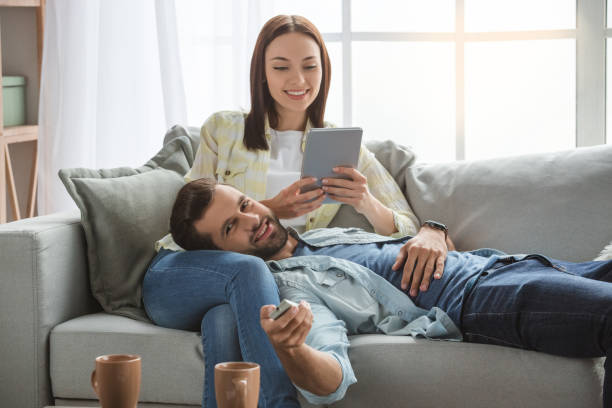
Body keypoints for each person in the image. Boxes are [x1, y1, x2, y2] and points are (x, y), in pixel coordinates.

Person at [144, 14, 454, 408]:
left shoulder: (344, 148)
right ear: (262, 73)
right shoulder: (223, 129)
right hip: (182, 268)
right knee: (249, 269)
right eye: (281, 67)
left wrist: (364, 201)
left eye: (310, 66)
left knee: (225, 319)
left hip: (255, 289)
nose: (298, 80)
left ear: (324, 70)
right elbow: (186, 218)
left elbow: (406, 227)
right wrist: (273, 207)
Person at [169, 177, 612, 406]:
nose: (251, 220)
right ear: (221, 254)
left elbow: (441, 248)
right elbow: (330, 382)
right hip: (481, 298)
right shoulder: (290, 285)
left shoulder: (323, 236)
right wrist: (292, 351)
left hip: (512, 264)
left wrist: (433, 231)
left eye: (245, 205)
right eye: (231, 227)